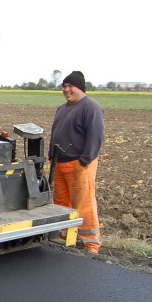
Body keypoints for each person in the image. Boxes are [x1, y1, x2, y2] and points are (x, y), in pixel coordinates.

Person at [48, 70, 105, 253]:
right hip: (59, 163)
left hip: (79, 164)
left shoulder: (90, 107)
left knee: (84, 203)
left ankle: (91, 243)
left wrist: (84, 161)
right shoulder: (62, 109)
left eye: (70, 86)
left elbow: (95, 137)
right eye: (64, 86)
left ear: (79, 87)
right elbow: (55, 133)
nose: (66, 90)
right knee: (62, 202)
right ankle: (66, 236)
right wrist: (51, 156)